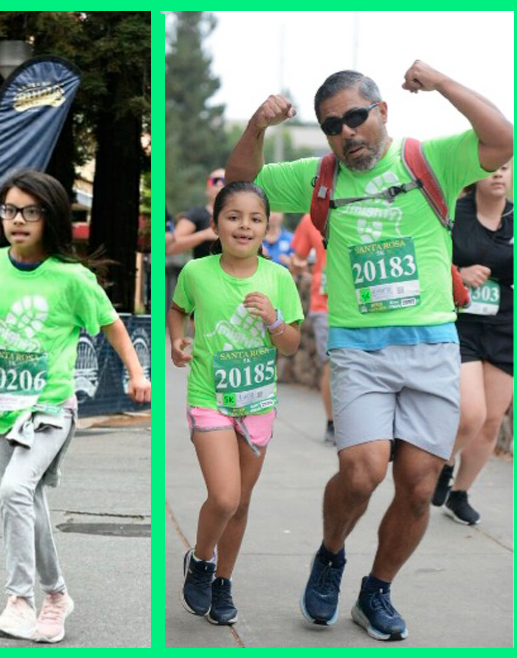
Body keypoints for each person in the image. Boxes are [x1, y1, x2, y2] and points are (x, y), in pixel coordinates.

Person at [226, 61, 513, 642]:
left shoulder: (428, 159)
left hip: (433, 345)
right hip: (359, 349)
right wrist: (256, 126)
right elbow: (240, 182)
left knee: (415, 484)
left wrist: (443, 83)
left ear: (382, 112)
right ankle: (331, 555)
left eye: (356, 116)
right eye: (333, 125)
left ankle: (377, 589)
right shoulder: (319, 175)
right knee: (361, 473)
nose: (347, 132)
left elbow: (502, 139)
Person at [0, 170, 150, 644]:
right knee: (28, 500)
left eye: (30, 211)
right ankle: (57, 595)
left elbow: (112, 324)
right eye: (10, 210)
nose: (18, 220)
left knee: (15, 489)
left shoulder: (71, 278)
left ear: (49, 216)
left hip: (50, 406)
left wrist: (138, 374)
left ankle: (19, 601)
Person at [169, 181, 303, 626]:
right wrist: (177, 342)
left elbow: (291, 346)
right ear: (215, 225)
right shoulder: (198, 273)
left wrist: (275, 320)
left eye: (255, 218)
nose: (244, 225)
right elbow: (177, 310)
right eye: (234, 216)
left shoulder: (279, 278)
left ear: (267, 227)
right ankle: (202, 560)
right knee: (224, 497)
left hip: (258, 404)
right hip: (210, 398)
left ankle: (223, 582)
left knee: (242, 502)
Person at [432, 162, 514, 523]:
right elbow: (430, 259)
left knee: (492, 421)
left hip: (503, 326)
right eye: (492, 168)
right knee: (471, 412)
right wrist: (458, 274)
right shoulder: (455, 213)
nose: (499, 174)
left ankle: (460, 493)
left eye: (506, 168)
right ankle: (443, 464)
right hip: (460, 323)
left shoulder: (514, 220)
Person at [289, 213, 334, 443]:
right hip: (326, 302)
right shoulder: (311, 218)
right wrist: (300, 267)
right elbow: (297, 258)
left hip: (366, 304)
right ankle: (332, 423)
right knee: (332, 364)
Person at [166, 168, 225, 258]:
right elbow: (170, 246)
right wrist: (203, 235)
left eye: (224, 181)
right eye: (215, 181)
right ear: (207, 189)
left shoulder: (242, 217)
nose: (219, 184)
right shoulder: (196, 214)